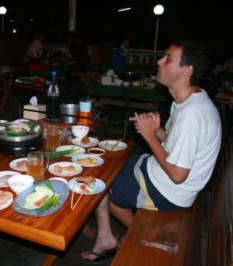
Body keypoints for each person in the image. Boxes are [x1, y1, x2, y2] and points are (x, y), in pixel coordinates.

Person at [81, 40, 222, 263]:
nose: (159, 61)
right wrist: (157, 133)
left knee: (101, 181)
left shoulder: (193, 114)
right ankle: (107, 236)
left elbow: (178, 174)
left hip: (169, 191)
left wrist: (147, 135)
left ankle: (137, 236)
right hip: (159, 173)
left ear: (187, 70)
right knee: (105, 162)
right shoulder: (188, 101)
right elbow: (178, 146)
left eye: (167, 58)